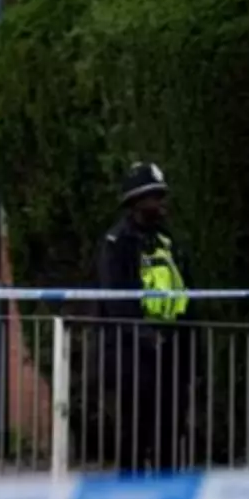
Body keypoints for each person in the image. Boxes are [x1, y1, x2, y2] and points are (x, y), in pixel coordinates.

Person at [95, 161, 194, 474]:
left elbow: (186, 289)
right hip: (132, 352)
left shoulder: (167, 240)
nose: (161, 204)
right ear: (136, 202)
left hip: (170, 347)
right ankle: (131, 493)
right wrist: (143, 335)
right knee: (135, 424)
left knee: (171, 423)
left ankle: (166, 493)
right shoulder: (118, 243)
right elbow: (116, 299)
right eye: (154, 197)